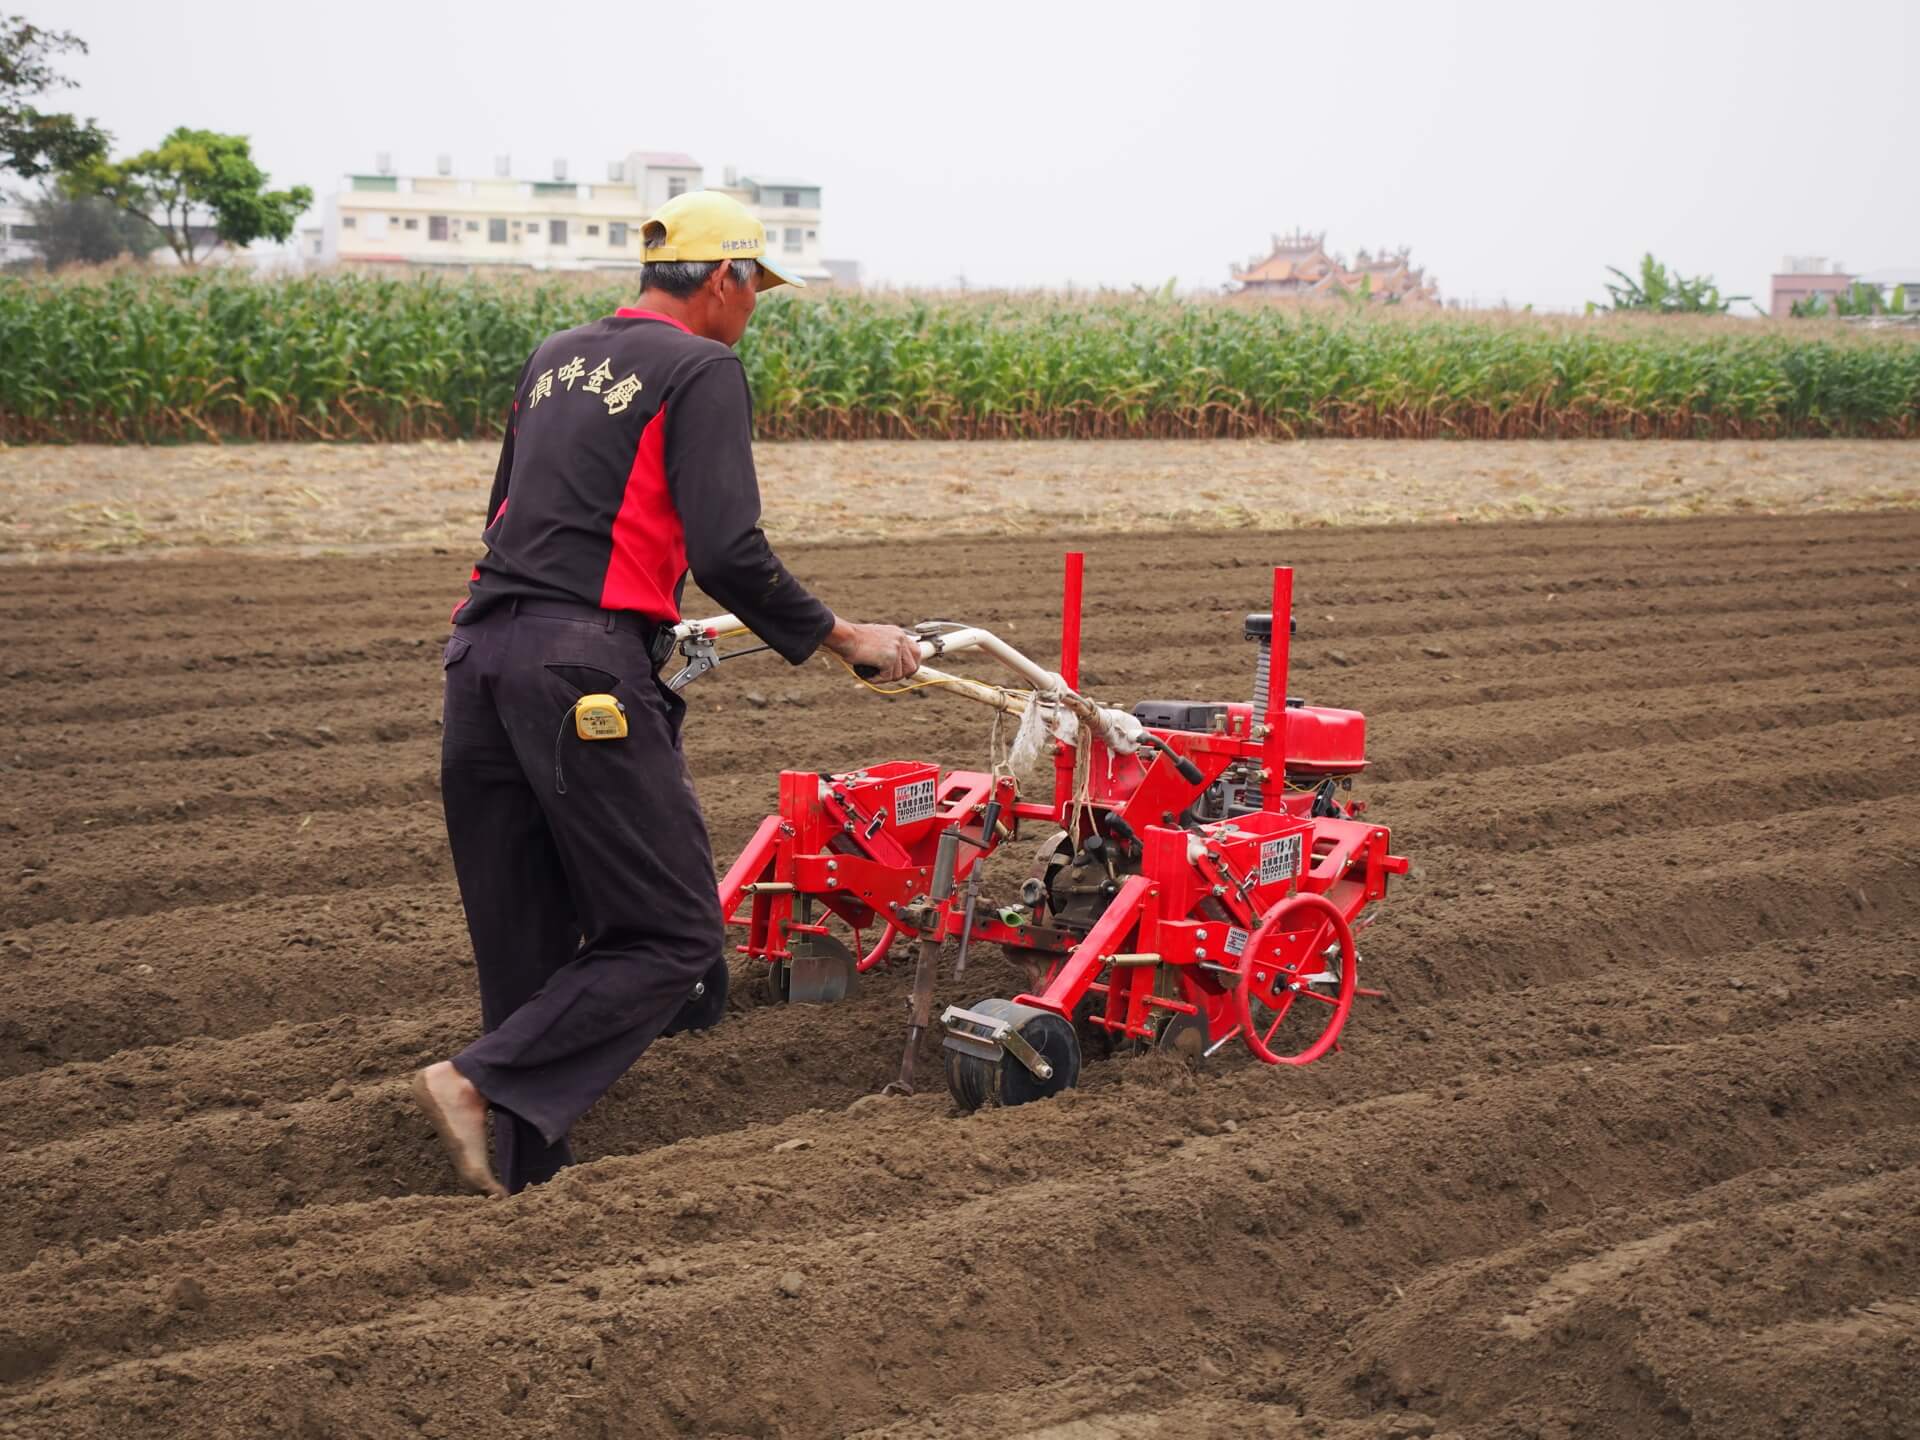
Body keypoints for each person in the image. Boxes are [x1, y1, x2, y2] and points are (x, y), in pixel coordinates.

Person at [412, 190, 920, 1198]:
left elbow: (512, 515)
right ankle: (475, 1081)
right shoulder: (701, 368)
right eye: (757, 286)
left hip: (479, 660)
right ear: (724, 278)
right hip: (578, 671)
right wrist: (845, 639)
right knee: (676, 936)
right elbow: (729, 551)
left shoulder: (556, 356)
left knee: (526, 953)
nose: (757, 306)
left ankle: (523, 1190)